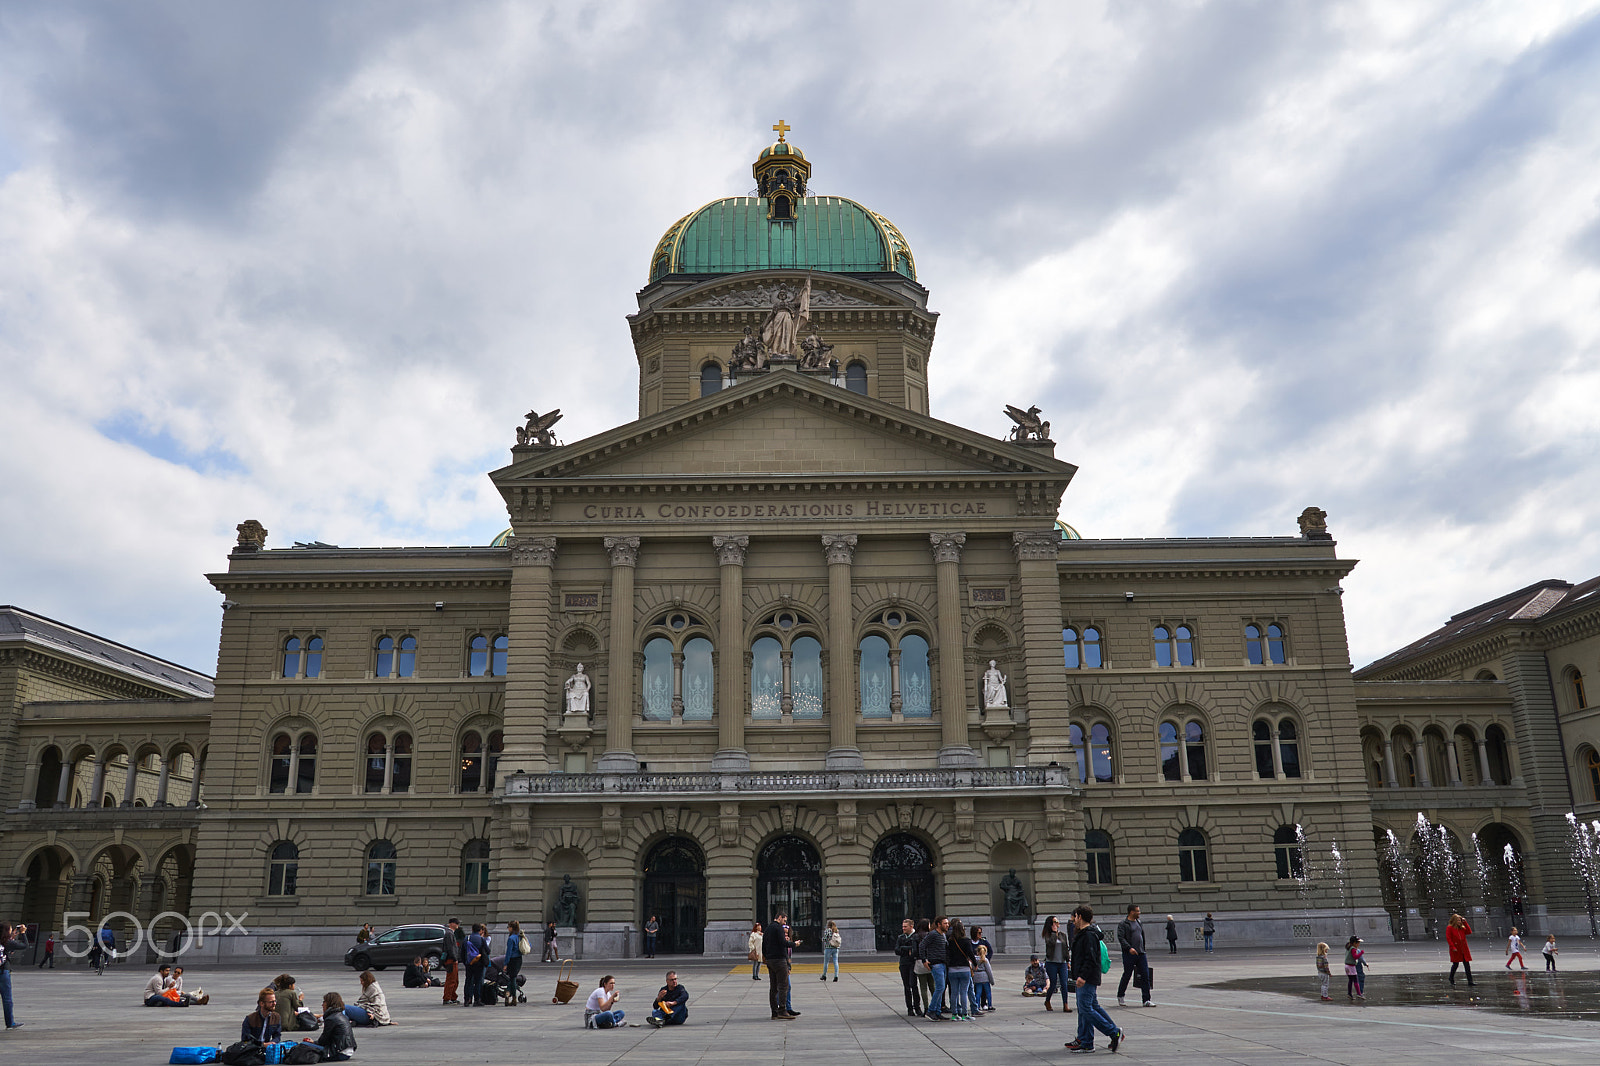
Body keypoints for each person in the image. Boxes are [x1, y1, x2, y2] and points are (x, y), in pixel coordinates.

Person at [1065, 906, 1123, 1054]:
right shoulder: (1085, 933)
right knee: (1091, 1006)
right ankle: (1085, 1041)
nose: (1073, 920)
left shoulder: (1089, 935)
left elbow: (1090, 958)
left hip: (1087, 977)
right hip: (1086, 976)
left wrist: (1082, 976)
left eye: (1075, 917)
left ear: (1080, 917)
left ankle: (1113, 1032)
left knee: (1085, 1008)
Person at [1116, 903, 1154, 1007]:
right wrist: (1129, 948)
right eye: (1137, 911)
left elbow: (1142, 936)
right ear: (1132, 912)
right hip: (1129, 954)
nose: (1139, 913)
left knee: (1145, 975)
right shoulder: (1123, 924)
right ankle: (1120, 995)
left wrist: (1143, 949)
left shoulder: (1139, 922)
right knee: (1127, 975)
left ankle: (1146, 999)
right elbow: (1121, 938)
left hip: (1141, 953)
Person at [763, 911, 798, 1019]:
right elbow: (783, 943)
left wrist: (766, 957)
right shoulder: (778, 928)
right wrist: (794, 944)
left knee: (773, 988)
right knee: (783, 986)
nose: (784, 922)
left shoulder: (768, 928)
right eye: (784, 920)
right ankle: (782, 1010)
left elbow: (763, 944)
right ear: (779, 917)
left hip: (770, 960)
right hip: (779, 960)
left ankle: (774, 1012)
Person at [303, 992, 356, 1062]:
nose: (322, 1005)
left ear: (329, 1003)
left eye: (324, 1002)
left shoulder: (331, 1018)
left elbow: (324, 1039)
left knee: (303, 1045)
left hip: (339, 1052)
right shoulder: (340, 1015)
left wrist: (313, 1043)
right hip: (346, 1050)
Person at [1041, 914, 1072, 1013]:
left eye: (1057, 922)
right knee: (1053, 984)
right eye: (1055, 922)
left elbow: (1066, 949)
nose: (1057, 923)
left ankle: (1065, 1005)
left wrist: (1068, 961)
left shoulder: (1063, 935)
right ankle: (1047, 1001)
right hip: (1052, 963)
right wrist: (1054, 933)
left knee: (1064, 983)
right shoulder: (1048, 935)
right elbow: (1051, 943)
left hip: (1062, 963)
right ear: (1051, 924)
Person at [946, 918, 975, 1021]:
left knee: (954, 992)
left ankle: (954, 1014)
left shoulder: (950, 941)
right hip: (964, 968)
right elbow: (971, 954)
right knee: (963, 992)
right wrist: (975, 964)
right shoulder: (966, 940)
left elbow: (947, 954)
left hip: (952, 969)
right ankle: (964, 1014)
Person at [922, 916, 950, 1021]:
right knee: (939, 988)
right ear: (939, 924)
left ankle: (937, 1012)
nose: (947, 925)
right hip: (936, 964)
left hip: (943, 964)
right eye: (945, 923)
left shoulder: (943, 935)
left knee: (941, 988)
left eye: (947, 923)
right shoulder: (933, 934)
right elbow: (922, 946)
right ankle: (931, 1010)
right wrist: (924, 960)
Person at [895, 918, 922, 1016]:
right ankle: (909, 1008)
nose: (903, 928)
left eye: (905, 927)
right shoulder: (901, 937)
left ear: (911, 926)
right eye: (903, 926)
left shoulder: (916, 936)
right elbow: (897, 950)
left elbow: (916, 950)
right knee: (906, 986)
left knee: (913, 985)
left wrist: (904, 949)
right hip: (903, 964)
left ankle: (917, 1007)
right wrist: (906, 949)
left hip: (912, 963)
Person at [0, 921, 23, 1030]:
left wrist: (12, 937)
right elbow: (24, 946)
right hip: (3, 972)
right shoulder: (7, 942)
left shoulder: (5, 941)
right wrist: (23, 933)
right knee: (7, 999)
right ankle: (10, 1023)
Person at [463, 923, 490, 1007]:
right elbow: (487, 951)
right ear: (480, 930)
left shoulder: (467, 938)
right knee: (478, 981)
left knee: (468, 980)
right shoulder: (481, 939)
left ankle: (467, 999)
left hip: (469, 963)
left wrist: (465, 962)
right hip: (479, 963)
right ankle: (477, 1000)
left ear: (472, 929)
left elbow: (462, 951)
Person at [913, 919, 936, 1015]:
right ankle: (935, 1006)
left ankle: (926, 1008)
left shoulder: (916, 936)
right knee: (933, 986)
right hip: (930, 962)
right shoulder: (930, 935)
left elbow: (914, 951)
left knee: (923, 987)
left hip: (919, 962)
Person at [1446, 913, 1474, 987]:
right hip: (1456, 949)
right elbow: (1449, 938)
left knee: (1467, 965)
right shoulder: (1450, 928)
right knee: (1455, 964)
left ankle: (1470, 981)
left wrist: (1465, 922)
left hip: (1463, 948)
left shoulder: (1461, 927)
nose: (1459, 921)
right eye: (1458, 920)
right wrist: (1452, 947)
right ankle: (1451, 978)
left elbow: (1469, 932)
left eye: (1460, 920)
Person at [441, 917, 463, 1004]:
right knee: (451, 980)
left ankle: (453, 997)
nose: (458, 925)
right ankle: (447, 998)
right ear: (451, 924)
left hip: (452, 959)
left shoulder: (450, 933)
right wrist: (455, 958)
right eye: (456, 923)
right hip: (451, 960)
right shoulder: (449, 934)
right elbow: (450, 948)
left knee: (455, 980)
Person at [504, 920, 526, 1004]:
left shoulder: (511, 938)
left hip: (512, 960)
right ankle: (512, 997)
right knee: (513, 978)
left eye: (508, 927)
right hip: (519, 959)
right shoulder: (520, 936)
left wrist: (505, 963)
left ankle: (510, 995)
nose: (508, 929)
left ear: (511, 928)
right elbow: (529, 945)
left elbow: (508, 952)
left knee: (512, 978)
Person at [973, 944, 995, 1013]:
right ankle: (990, 1005)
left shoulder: (974, 959)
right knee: (988, 992)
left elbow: (973, 968)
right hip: (985, 977)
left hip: (977, 977)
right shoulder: (985, 960)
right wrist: (992, 981)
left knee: (978, 993)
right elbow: (989, 971)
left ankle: (977, 1006)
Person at [1344, 935, 1365, 1000]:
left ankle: (1349, 993)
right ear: (1354, 943)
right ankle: (1359, 993)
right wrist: (1361, 953)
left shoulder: (1348, 947)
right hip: (1351, 966)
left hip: (1347, 965)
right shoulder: (1353, 949)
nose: (1359, 944)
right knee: (1355, 980)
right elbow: (1355, 957)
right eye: (1358, 943)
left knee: (1350, 980)